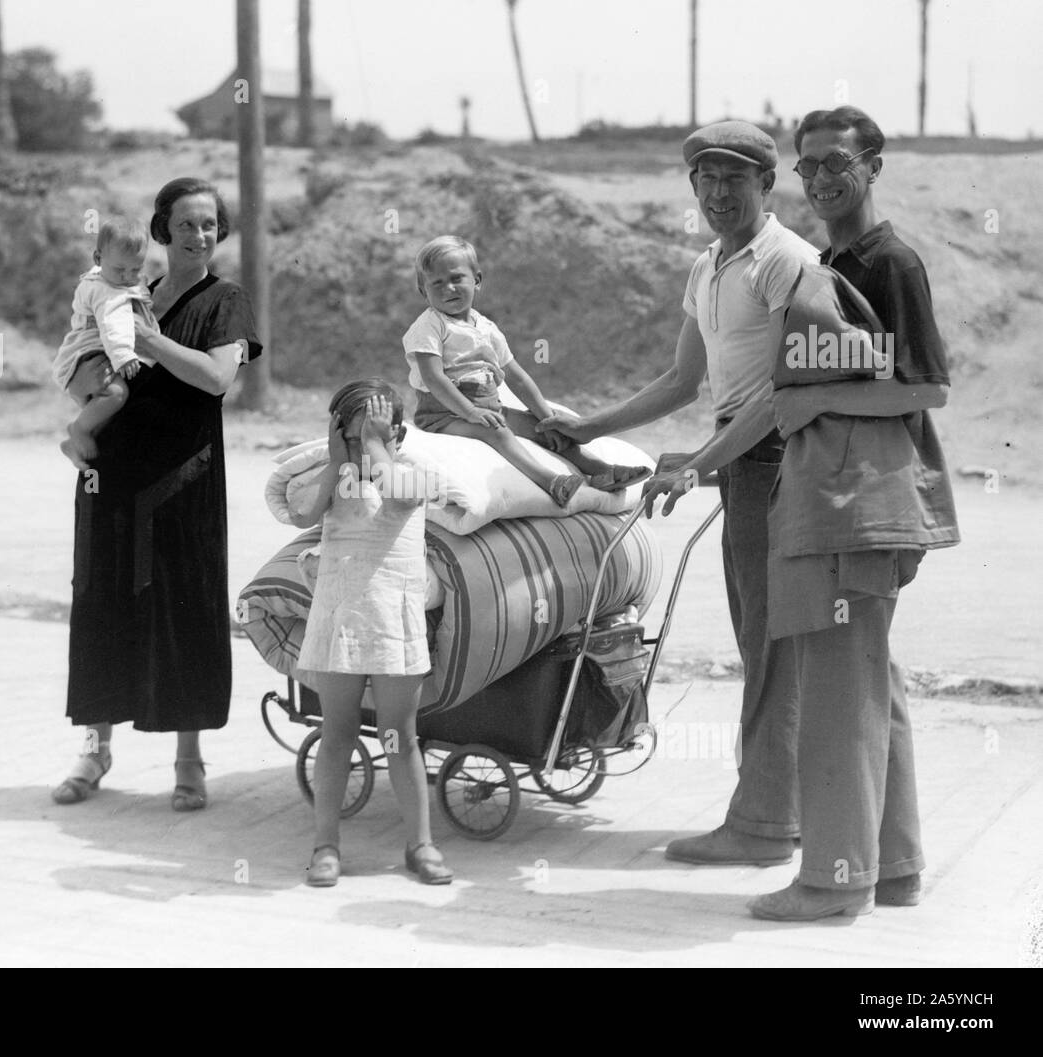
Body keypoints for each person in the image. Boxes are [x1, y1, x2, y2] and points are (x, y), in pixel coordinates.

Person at [538, 122, 820, 865]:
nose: (720, 194)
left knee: (772, 649)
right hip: (744, 462)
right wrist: (585, 427)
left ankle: (763, 826)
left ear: (768, 186)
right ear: (692, 187)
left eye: (737, 180)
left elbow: (776, 396)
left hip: (781, 459)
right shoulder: (708, 267)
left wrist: (698, 462)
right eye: (708, 181)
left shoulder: (786, 261)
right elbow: (682, 382)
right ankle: (777, 812)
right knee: (760, 643)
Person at [749, 107, 959, 920]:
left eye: (838, 161)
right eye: (810, 166)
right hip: (845, 501)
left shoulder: (890, 260)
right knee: (872, 683)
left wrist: (816, 401)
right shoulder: (835, 258)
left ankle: (833, 881)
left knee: (839, 691)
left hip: (857, 506)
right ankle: (894, 865)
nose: (823, 177)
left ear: (873, 165)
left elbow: (930, 387)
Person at [52, 177, 261, 811]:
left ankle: (189, 758)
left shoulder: (224, 300)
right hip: (112, 475)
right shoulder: (126, 289)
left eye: (209, 224)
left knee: (185, 609)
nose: (199, 235)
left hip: (184, 479)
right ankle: (95, 748)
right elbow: (83, 357)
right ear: (161, 230)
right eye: (186, 224)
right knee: (101, 603)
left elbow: (218, 377)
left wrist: (146, 340)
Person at [292, 379, 451, 887]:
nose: (363, 449)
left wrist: (377, 447)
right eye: (354, 437)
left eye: (376, 436)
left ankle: (420, 844)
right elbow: (301, 513)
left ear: (398, 435)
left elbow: (396, 495)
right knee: (335, 735)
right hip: (341, 621)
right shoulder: (336, 479)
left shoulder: (413, 475)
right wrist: (340, 459)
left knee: (400, 737)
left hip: (393, 623)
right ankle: (325, 846)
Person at [404, 235, 649, 508]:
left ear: (477, 280)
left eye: (456, 278)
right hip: (444, 415)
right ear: (423, 291)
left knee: (547, 430)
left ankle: (602, 470)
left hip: (489, 407)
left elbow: (518, 378)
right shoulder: (429, 326)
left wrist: (547, 417)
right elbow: (433, 378)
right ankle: (550, 481)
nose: (448, 288)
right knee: (497, 433)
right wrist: (470, 413)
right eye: (436, 283)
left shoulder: (487, 328)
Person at [51, 217, 158, 469]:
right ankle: (78, 429)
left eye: (135, 269)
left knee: (108, 412)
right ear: (98, 259)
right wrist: (123, 356)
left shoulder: (109, 280)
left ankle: (73, 445)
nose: (127, 277)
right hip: (89, 356)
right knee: (116, 394)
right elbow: (113, 324)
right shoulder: (106, 291)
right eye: (120, 270)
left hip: (92, 356)